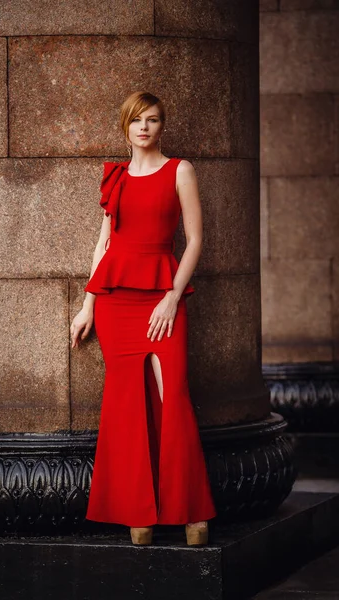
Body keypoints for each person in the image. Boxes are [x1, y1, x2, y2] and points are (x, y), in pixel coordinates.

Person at [70, 91, 217, 546]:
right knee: (127, 402)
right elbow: (104, 246)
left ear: (161, 126)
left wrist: (173, 297)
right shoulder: (115, 177)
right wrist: (87, 305)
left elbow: (194, 240)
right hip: (115, 302)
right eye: (137, 120)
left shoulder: (180, 171)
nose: (145, 128)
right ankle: (139, 510)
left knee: (171, 394)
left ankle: (190, 510)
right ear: (126, 127)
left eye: (152, 120)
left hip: (162, 296)